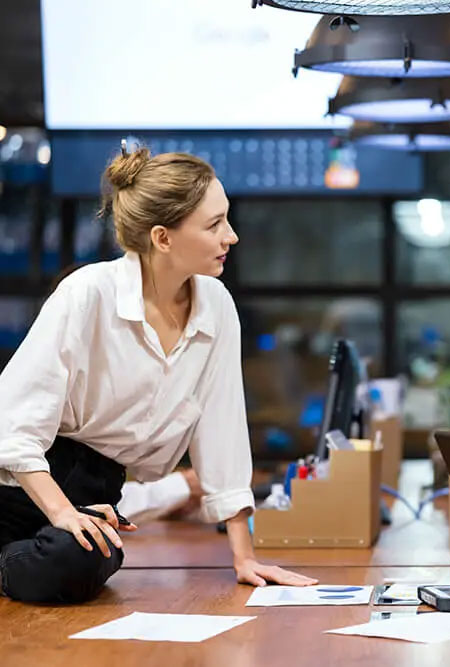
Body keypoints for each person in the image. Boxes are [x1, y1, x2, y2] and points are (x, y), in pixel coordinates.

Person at [0, 145, 317, 603]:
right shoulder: (88, 293)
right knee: (75, 556)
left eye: (226, 219)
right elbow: (11, 424)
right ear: (162, 238)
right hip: (21, 484)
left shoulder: (217, 306)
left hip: (100, 485)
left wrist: (244, 557)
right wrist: (63, 512)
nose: (232, 236)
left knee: (86, 559)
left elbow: (221, 429)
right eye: (214, 225)